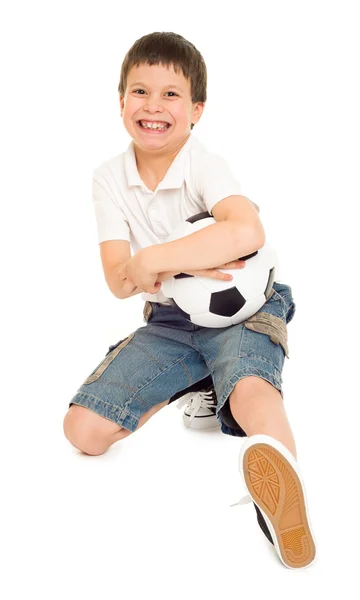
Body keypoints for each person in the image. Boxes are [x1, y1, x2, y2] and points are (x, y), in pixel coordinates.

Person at [63, 31, 316, 569]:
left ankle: (283, 485)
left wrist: (151, 261)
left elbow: (245, 231)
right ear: (121, 101)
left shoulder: (204, 163)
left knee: (251, 390)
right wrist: (175, 261)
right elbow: (116, 278)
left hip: (244, 308)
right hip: (172, 319)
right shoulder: (109, 178)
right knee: (84, 432)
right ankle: (199, 379)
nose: (154, 106)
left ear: (197, 109)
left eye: (171, 95)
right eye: (140, 91)